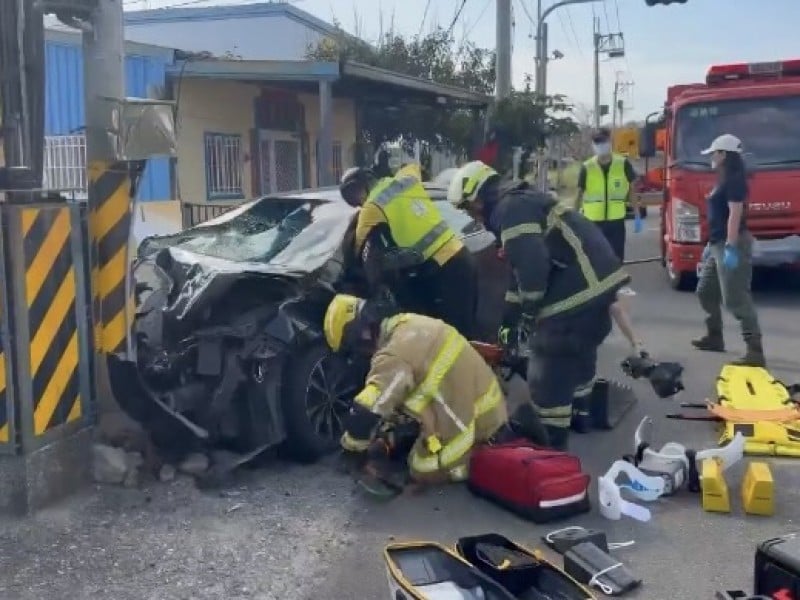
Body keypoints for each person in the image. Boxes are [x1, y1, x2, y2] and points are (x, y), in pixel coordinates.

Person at [448, 160, 630, 451]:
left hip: (575, 297)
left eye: (468, 208)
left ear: (479, 198)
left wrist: (527, 318)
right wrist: (508, 320)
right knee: (579, 357)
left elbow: (532, 271)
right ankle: (581, 416)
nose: (472, 217)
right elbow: (518, 275)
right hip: (597, 292)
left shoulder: (510, 211)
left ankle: (551, 448)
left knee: (548, 372)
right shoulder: (525, 202)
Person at [323, 294, 514, 485]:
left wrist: (351, 448)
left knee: (420, 466)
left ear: (360, 335)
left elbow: (367, 410)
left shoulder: (393, 357)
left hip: (476, 428)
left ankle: (472, 459)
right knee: (400, 420)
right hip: (490, 408)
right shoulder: (407, 322)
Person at [351, 162, 479, 339]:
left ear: (360, 189)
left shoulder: (371, 208)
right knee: (464, 328)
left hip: (444, 268)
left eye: (354, 198)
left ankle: (469, 366)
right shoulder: (406, 179)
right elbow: (415, 166)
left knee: (455, 337)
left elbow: (357, 247)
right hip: (461, 255)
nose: (357, 204)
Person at [692, 133, 765, 367]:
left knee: (736, 298)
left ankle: (755, 350)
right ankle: (715, 337)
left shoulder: (734, 180)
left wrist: (731, 247)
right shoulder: (724, 179)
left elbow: (735, 215)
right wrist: (711, 246)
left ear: (724, 155)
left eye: (714, 153)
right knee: (705, 291)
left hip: (731, 244)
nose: (712, 157)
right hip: (717, 244)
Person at [575, 128, 641, 294]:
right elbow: (579, 194)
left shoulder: (622, 164)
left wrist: (638, 215)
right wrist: (573, 218)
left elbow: (632, 190)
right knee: (593, 255)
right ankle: (595, 287)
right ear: (593, 145)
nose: (600, 145)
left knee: (617, 254)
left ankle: (618, 286)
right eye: (597, 142)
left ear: (609, 143)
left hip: (616, 218)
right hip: (592, 220)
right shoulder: (587, 167)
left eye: (603, 142)